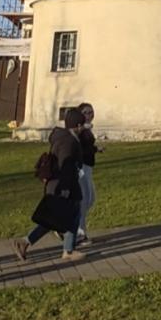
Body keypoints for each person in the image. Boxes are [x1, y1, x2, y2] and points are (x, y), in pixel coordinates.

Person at [15, 107, 85, 262]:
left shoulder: (62, 137)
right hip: (64, 185)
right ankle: (68, 250)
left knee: (53, 219)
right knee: (72, 216)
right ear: (78, 125)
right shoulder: (69, 142)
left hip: (57, 184)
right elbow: (66, 165)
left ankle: (25, 242)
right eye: (82, 125)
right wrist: (65, 188)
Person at [76, 102, 102, 245]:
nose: (89, 115)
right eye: (85, 112)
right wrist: (94, 149)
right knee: (84, 200)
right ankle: (79, 234)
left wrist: (96, 149)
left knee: (90, 199)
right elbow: (81, 149)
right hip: (82, 167)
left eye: (91, 112)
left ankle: (72, 225)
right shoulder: (80, 130)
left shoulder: (88, 129)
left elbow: (88, 146)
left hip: (88, 166)